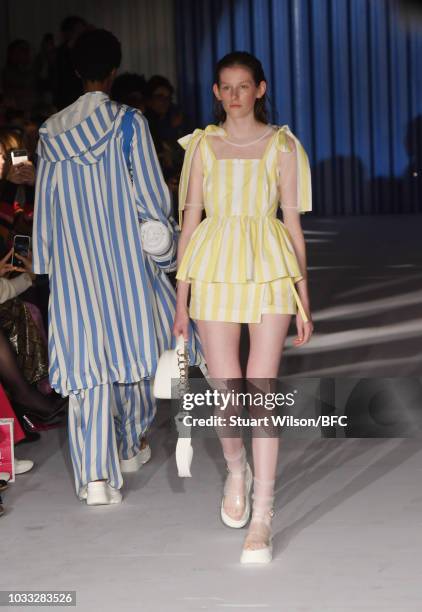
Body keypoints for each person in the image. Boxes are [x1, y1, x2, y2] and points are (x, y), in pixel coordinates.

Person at [33, 29, 203, 506]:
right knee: (132, 352)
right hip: (124, 259)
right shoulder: (128, 123)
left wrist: (45, 263)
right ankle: (129, 445)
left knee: (86, 364)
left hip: (72, 264)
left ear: (75, 72)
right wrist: (166, 254)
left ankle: (95, 480)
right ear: (112, 71)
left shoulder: (49, 131)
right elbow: (151, 196)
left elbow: (44, 205)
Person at [173, 51, 314, 564]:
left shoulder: (282, 145)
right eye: (225, 87)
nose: (234, 96)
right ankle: (235, 467)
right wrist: (180, 299)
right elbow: (188, 222)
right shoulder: (202, 146)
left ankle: (263, 513)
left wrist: (305, 296)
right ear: (216, 92)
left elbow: (294, 226)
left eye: (243, 86)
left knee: (261, 389)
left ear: (260, 88)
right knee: (226, 390)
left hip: (271, 269)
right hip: (212, 267)